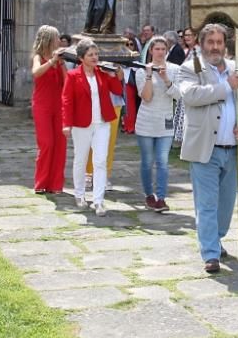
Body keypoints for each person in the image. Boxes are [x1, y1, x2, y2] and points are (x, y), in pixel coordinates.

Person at [178, 23, 238, 273]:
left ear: (226, 44)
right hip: (205, 148)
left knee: (225, 205)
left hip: (233, 149)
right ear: (202, 44)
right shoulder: (191, 68)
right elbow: (191, 95)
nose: (215, 46)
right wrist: (226, 87)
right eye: (210, 42)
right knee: (207, 204)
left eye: (219, 42)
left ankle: (215, 237)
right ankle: (210, 253)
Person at [62, 38, 124, 216]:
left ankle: (98, 201)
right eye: (91, 55)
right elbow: (66, 101)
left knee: (100, 161)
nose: (95, 57)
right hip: (81, 124)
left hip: (102, 123)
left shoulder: (103, 73)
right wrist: (66, 124)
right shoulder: (73, 76)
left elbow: (118, 91)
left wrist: (113, 75)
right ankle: (79, 194)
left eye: (96, 54)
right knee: (80, 160)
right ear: (81, 58)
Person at [135, 36, 180, 211]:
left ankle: (161, 198)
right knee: (147, 161)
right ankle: (149, 195)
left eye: (163, 49)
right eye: (157, 49)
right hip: (146, 120)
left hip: (166, 120)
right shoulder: (141, 70)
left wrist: (166, 78)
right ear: (151, 51)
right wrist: (148, 75)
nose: (160, 52)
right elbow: (146, 97)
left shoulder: (175, 69)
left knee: (162, 160)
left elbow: (178, 95)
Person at [31, 25, 67, 195]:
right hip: (42, 105)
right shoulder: (39, 57)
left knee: (60, 144)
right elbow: (36, 73)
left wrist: (62, 63)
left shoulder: (60, 59)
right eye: (56, 38)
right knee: (47, 143)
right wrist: (52, 62)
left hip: (59, 105)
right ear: (48, 40)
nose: (59, 41)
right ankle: (41, 183)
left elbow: (68, 82)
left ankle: (55, 184)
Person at [172, 26, 197, 144]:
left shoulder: (197, 51)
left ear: (195, 36)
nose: (186, 38)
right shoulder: (188, 51)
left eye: (189, 35)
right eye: (184, 36)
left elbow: (199, 71)